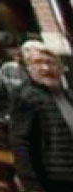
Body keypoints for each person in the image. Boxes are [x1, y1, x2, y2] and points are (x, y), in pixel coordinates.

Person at [11, 41, 73, 192]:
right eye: (38, 63)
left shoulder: (66, 95)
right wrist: (30, 183)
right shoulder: (27, 96)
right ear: (28, 68)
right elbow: (20, 142)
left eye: (50, 63)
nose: (46, 68)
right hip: (56, 179)